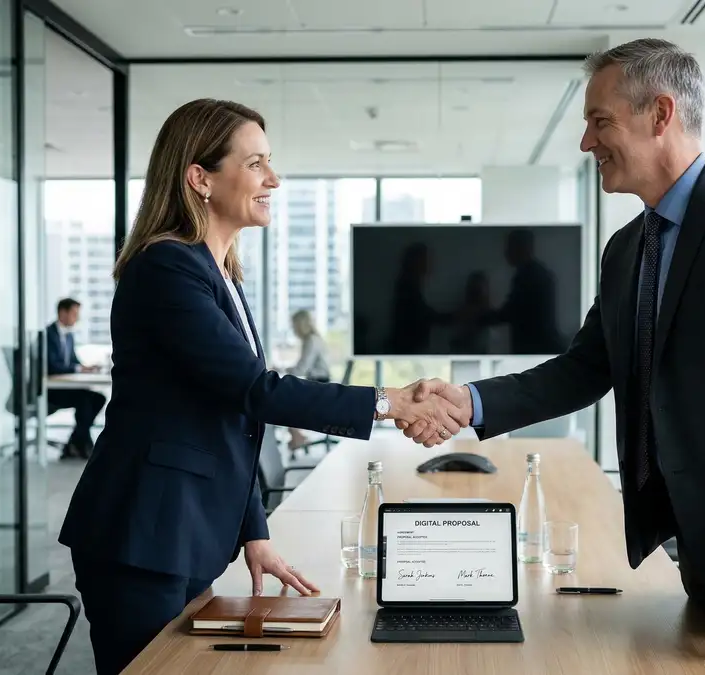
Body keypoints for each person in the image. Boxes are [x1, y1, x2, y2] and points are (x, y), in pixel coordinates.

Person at [399, 39, 705, 675]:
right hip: (700, 543)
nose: (586, 142)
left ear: (660, 114)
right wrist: (469, 402)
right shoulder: (627, 248)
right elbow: (585, 368)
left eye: (600, 121)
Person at [56, 98, 469, 675]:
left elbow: (234, 418)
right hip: (143, 532)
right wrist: (390, 402)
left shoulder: (220, 273)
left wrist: (255, 531)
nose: (273, 179)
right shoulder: (165, 269)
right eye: (255, 164)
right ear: (200, 178)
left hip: (182, 529)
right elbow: (256, 389)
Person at [45, 297, 106, 459]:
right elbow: (52, 365)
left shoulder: (69, 336)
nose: (77, 318)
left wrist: (86, 368)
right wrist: (78, 368)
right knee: (85, 400)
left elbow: (73, 360)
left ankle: (76, 442)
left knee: (98, 398)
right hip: (51, 391)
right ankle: (80, 443)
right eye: (74, 314)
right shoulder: (48, 334)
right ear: (62, 313)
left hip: (65, 388)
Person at [282, 309, 330, 451]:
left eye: (294, 325)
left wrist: (282, 369)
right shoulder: (315, 339)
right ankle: (296, 435)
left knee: (282, 398)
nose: (293, 329)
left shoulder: (311, 341)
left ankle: (296, 436)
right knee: (284, 396)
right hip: (319, 383)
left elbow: (301, 369)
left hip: (319, 385)